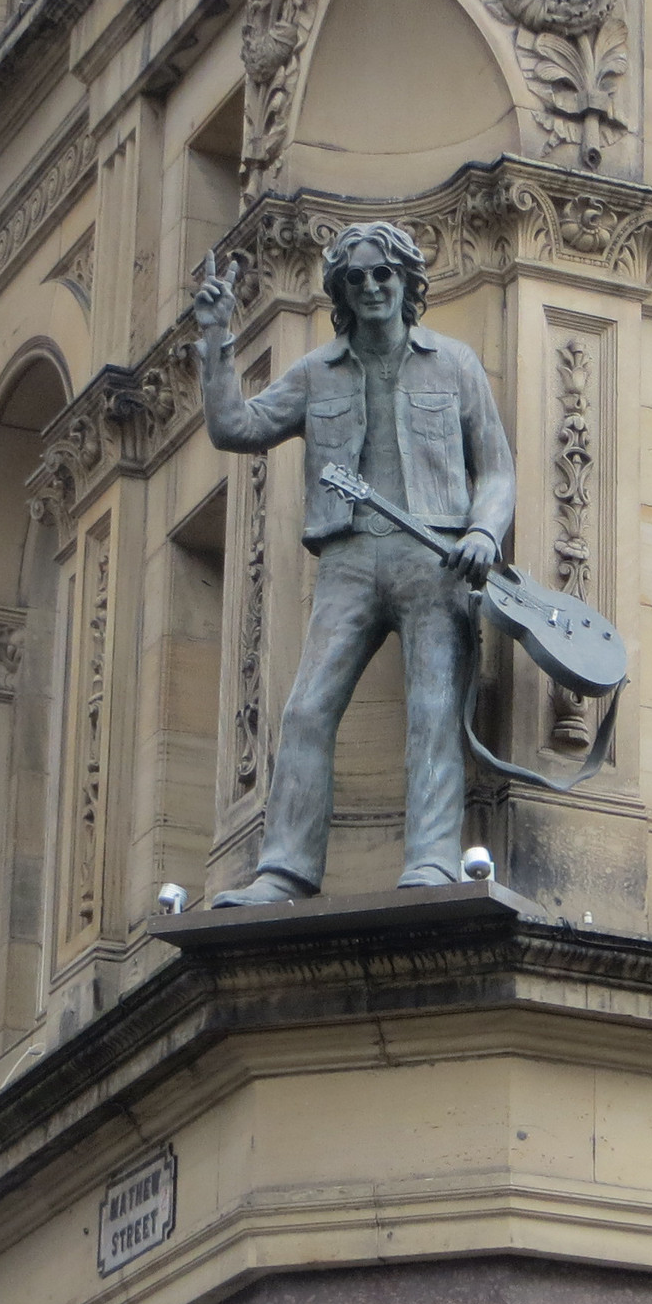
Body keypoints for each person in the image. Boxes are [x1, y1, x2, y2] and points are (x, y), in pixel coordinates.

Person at [192, 221, 515, 904]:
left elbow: (496, 469)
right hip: (349, 559)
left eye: (383, 274)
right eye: (356, 278)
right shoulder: (316, 373)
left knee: (433, 709)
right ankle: (284, 870)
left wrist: (485, 532)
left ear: (406, 283)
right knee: (307, 710)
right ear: (340, 290)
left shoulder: (454, 364)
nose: (371, 287)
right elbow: (236, 427)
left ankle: (432, 861)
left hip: (435, 559)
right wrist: (217, 343)